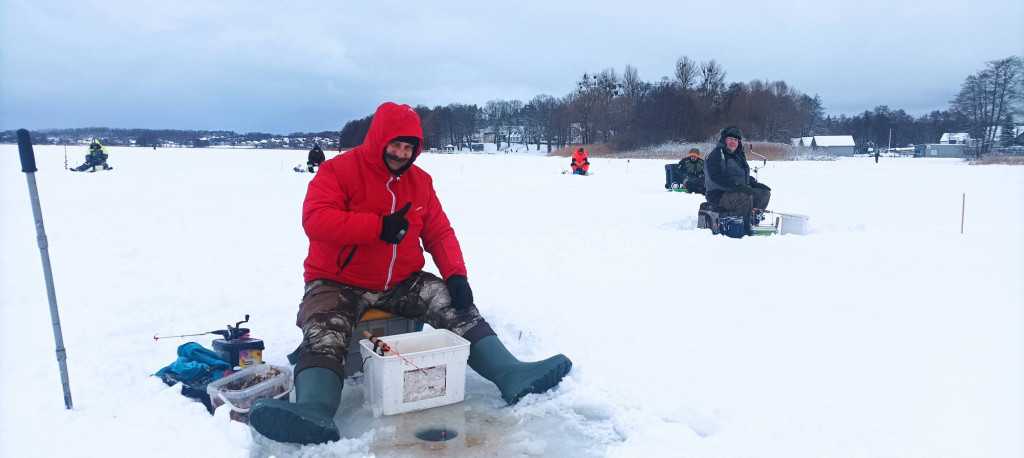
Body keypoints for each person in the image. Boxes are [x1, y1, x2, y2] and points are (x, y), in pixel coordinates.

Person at [248, 102, 573, 445]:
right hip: (336, 279)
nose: (402, 154)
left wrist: (456, 275)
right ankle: (314, 408)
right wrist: (376, 227)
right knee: (326, 329)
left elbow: (439, 232)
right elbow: (316, 220)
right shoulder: (339, 172)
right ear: (379, 140)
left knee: (451, 301)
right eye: (396, 145)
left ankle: (509, 373)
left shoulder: (420, 182)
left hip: (401, 280)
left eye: (409, 148)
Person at [703, 126, 771, 233]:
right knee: (744, 196)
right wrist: (736, 186)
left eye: (736, 140)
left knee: (763, 193)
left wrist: (754, 184)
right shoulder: (716, 155)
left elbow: (742, 176)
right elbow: (715, 177)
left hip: (736, 191)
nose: (733, 142)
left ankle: (753, 220)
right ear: (724, 140)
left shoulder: (738, 156)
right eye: (730, 139)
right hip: (718, 195)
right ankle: (742, 228)